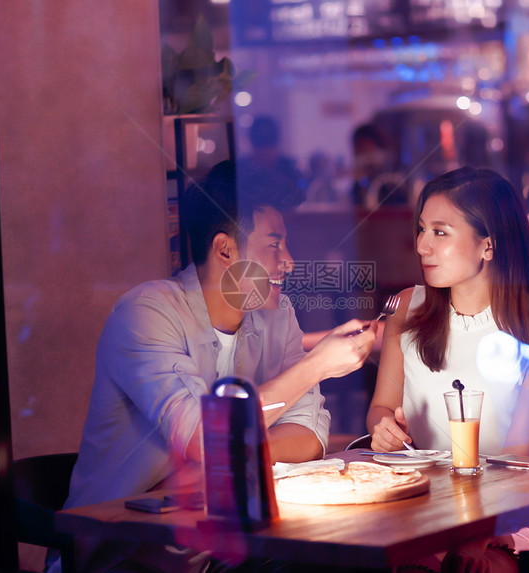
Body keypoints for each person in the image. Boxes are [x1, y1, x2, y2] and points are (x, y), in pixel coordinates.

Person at [58, 160, 377, 572]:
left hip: (226, 549)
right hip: (124, 550)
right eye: (274, 245)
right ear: (226, 249)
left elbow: (310, 436)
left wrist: (215, 470)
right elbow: (206, 438)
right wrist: (316, 365)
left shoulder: (276, 317)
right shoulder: (146, 312)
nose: (290, 262)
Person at [367, 166, 529, 572]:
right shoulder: (407, 307)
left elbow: (516, 458)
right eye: (422, 229)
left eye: (440, 232)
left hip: (500, 517)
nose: (421, 245)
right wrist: (383, 428)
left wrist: (472, 533)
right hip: (419, 505)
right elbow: (380, 408)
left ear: (487, 246)